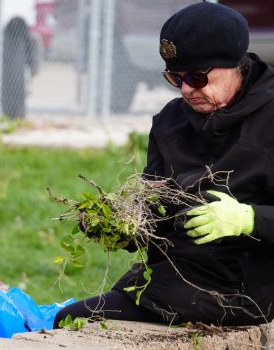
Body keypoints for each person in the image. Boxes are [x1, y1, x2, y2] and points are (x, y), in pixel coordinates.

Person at [53, 1, 274, 328]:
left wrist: (248, 218)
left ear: (236, 65)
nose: (186, 89)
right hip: (182, 276)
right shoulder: (171, 122)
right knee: (71, 319)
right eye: (175, 77)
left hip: (252, 287)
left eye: (198, 77)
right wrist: (126, 228)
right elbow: (160, 213)